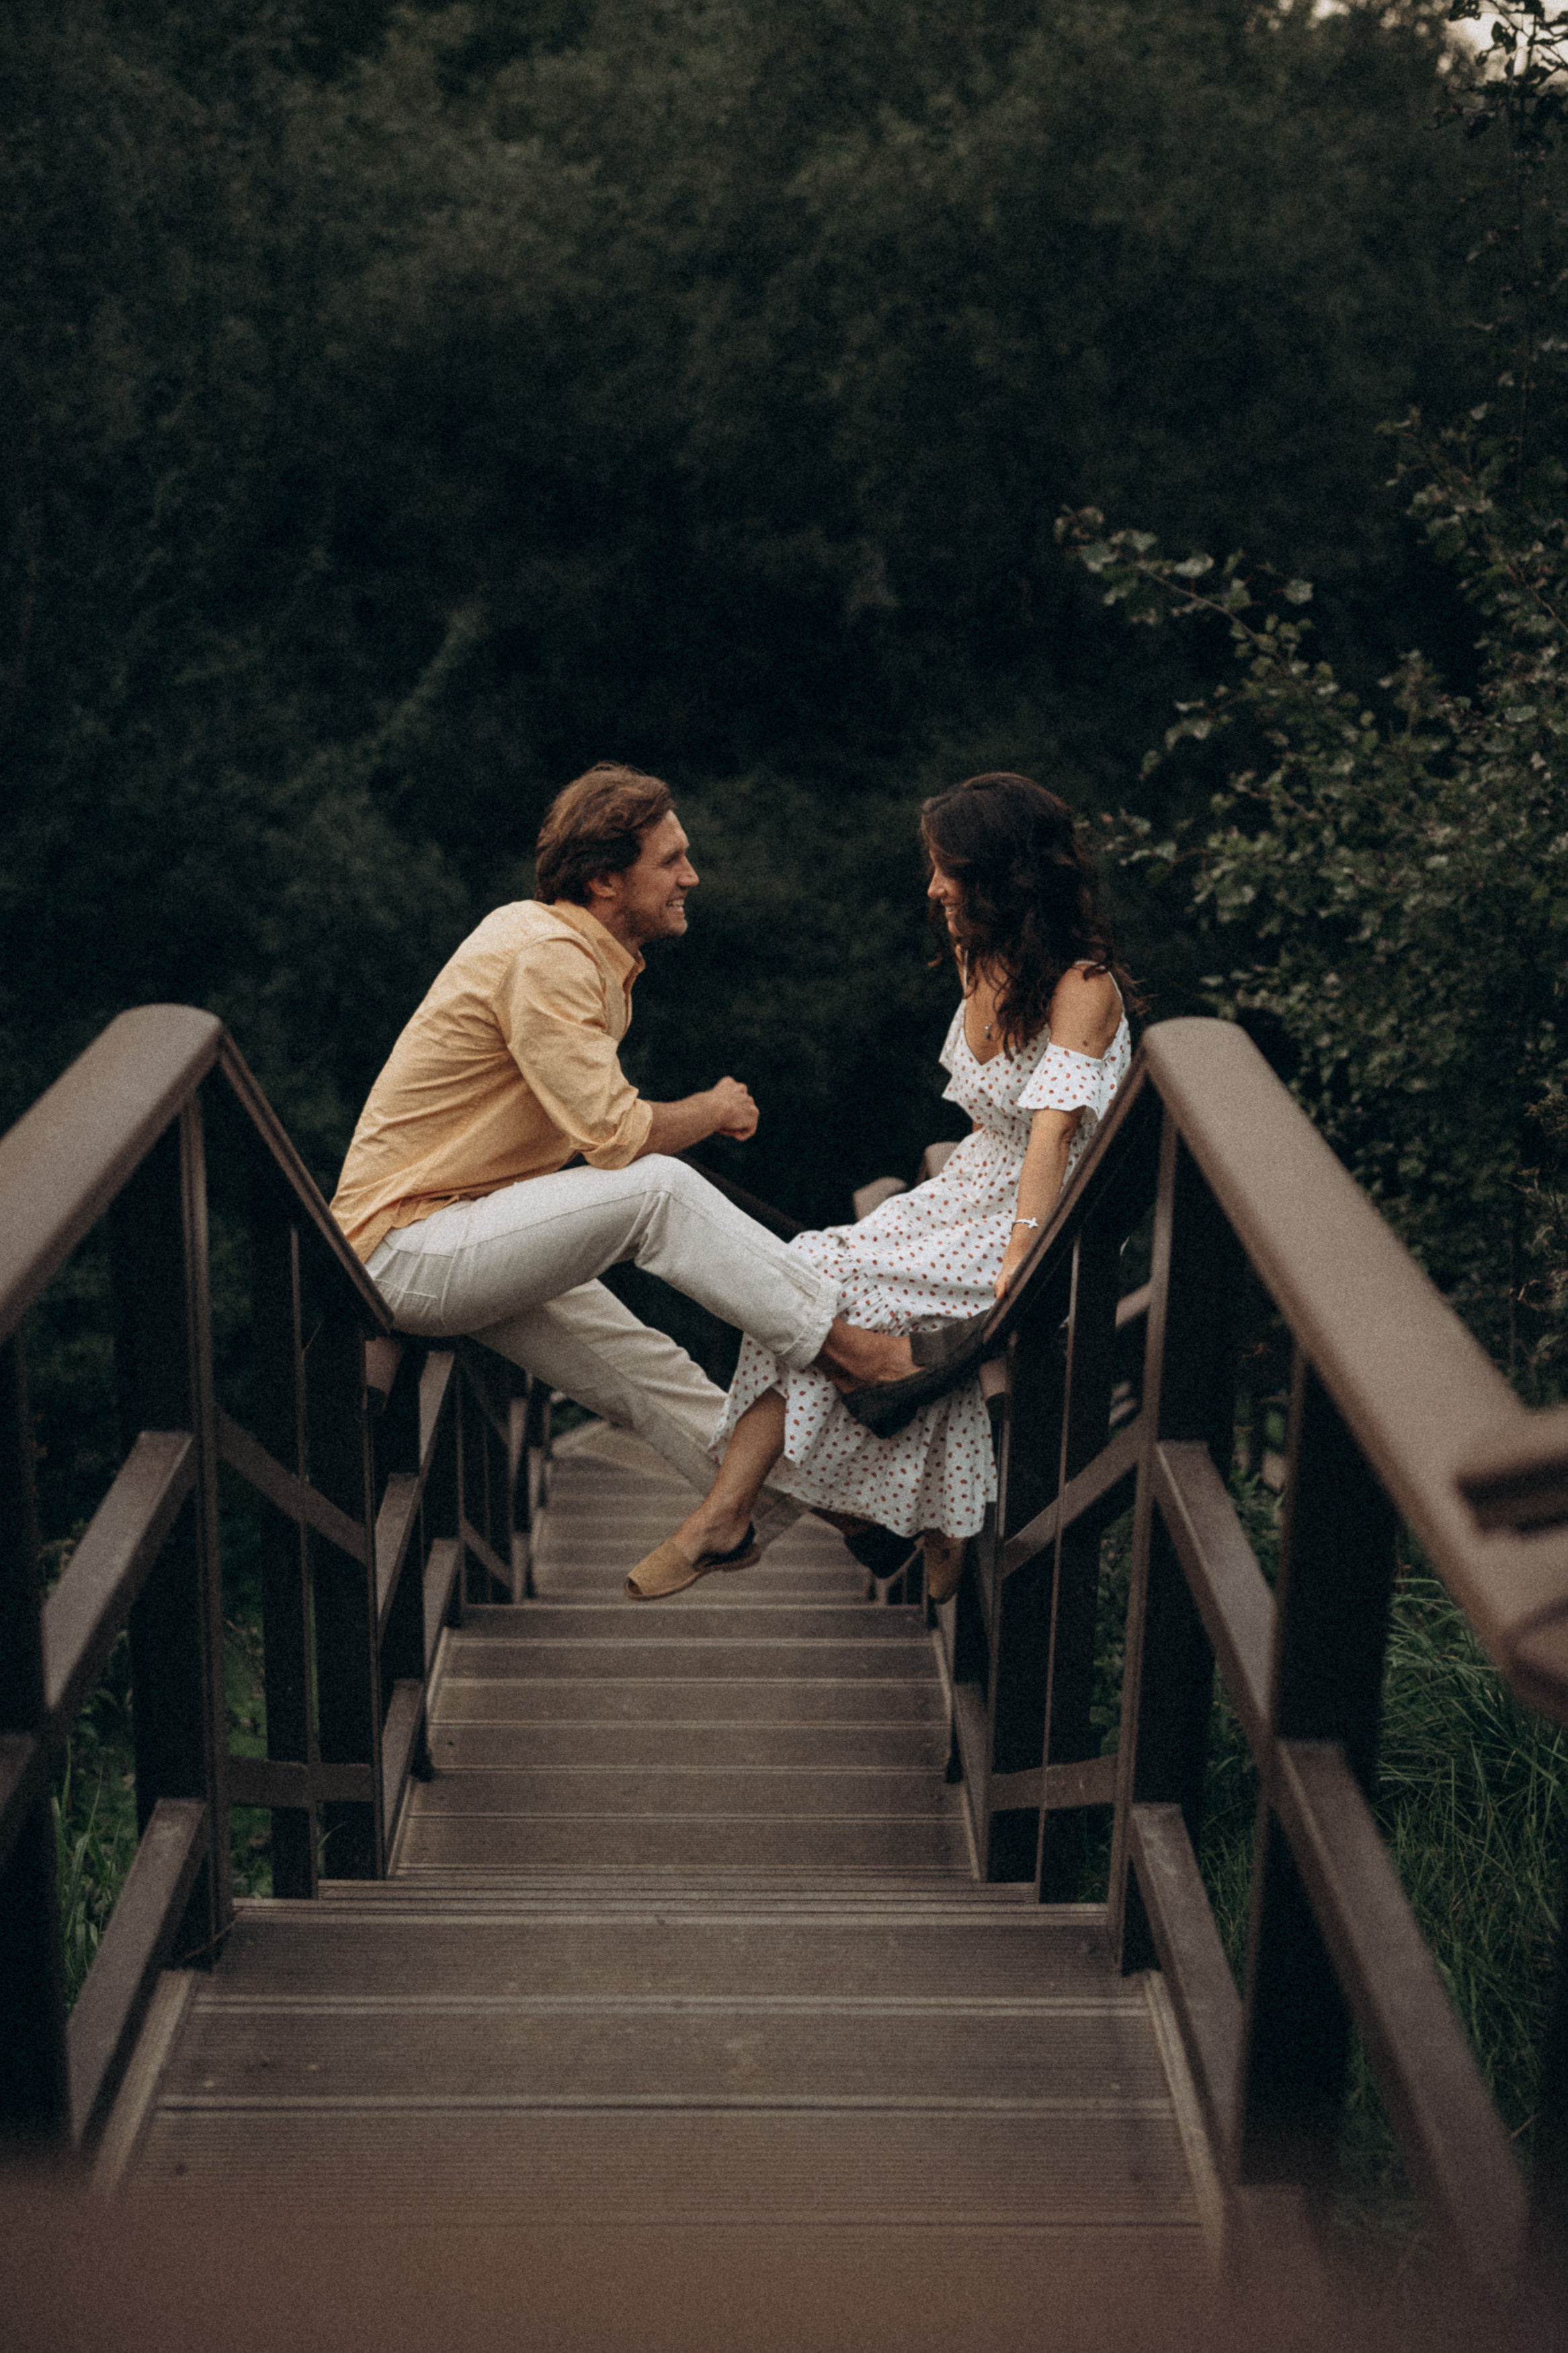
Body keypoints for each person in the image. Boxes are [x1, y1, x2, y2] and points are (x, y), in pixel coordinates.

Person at [329, 761, 920, 1562]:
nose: (691, 876)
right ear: (605, 879)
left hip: (457, 1230)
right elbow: (613, 1137)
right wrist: (711, 1109)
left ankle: (859, 1517)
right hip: (408, 1244)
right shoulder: (545, 955)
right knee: (659, 1194)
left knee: (649, 1372)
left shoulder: (577, 955)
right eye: (670, 859)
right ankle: (863, 1354)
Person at [625, 771, 1134, 1602]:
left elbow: (1053, 1132)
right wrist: (929, 1214)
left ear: (1004, 873)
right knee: (800, 1271)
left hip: (1048, 1211)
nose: (933, 887)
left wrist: (1019, 1253)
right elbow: (988, 1122)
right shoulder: (980, 957)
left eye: (949, 869)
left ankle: (732, 1513)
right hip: (973, 1184)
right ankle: (891, 1513)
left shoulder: (1082, 984)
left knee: (834, 1288)